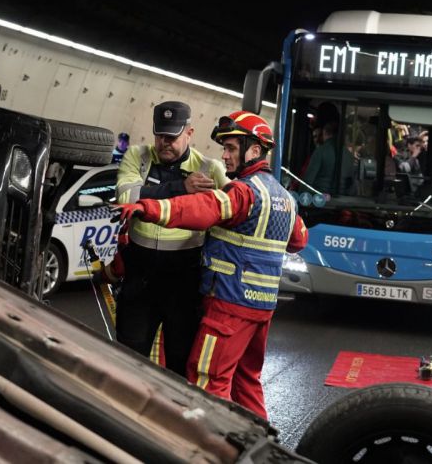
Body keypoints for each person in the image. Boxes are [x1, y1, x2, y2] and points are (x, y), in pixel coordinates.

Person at [112, 111, 308, 419]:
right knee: (246, 383)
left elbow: (202, 209)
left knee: (206, 379)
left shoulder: (243, 191)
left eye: (231, 148)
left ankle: (207, 449)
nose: (225, 156)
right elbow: (298, 240)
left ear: (253, 150)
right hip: (262, 309)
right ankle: (261, 445)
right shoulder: (284, 198)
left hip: (229, 304)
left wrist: (147, 207)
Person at [114, 101, 228, 377]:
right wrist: (181, 188)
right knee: (128, 361)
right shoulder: (137, 157)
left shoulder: (209, 169)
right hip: (139, 280)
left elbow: (233, 208)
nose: (165, 142)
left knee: (180, 364)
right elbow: (126, 198)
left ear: (189, 133)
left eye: (173, 137)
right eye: (160, 135)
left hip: (183, 283)